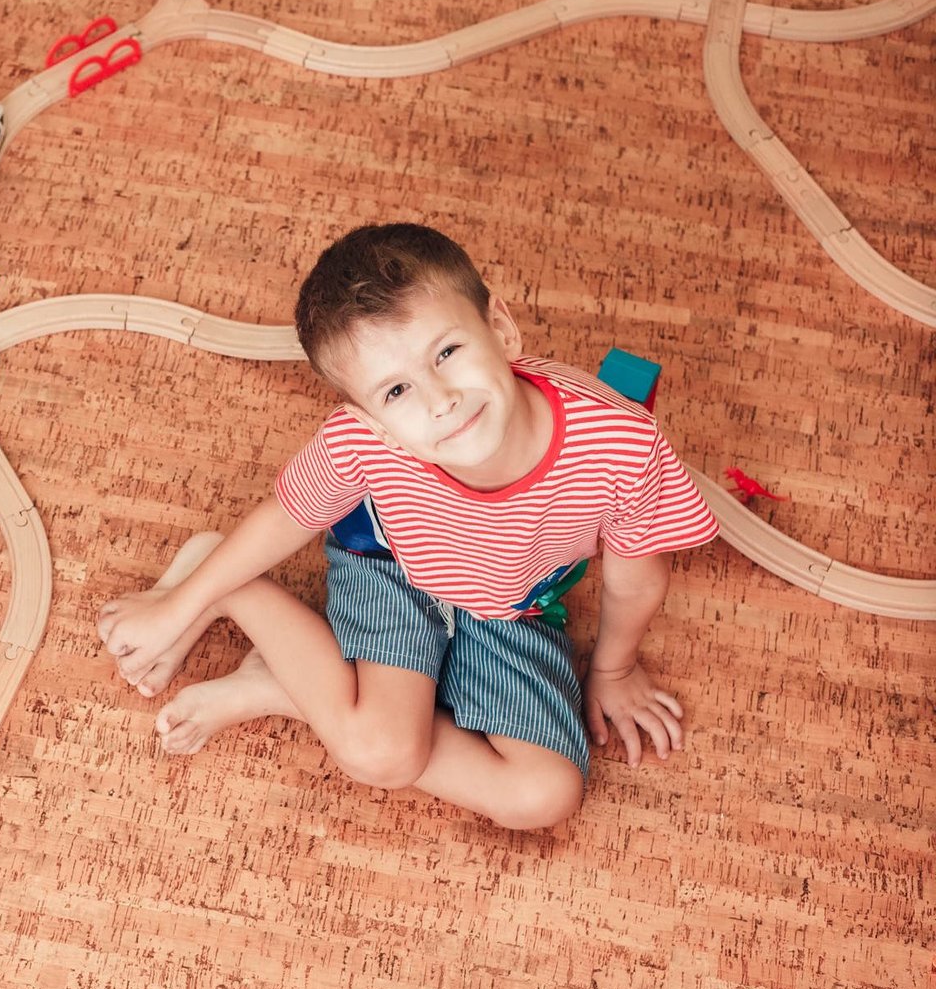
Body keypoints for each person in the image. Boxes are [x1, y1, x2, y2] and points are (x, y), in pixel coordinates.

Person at [97, 223, 718, 829]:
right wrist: (178, 608)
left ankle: (294, 686)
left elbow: (636, 581)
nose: (440, 398)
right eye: (395, 392)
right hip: (396, 568)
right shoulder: (360, 443)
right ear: (371, 419)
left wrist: (612, 670)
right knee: (382, 754)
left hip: (514, 602)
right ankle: (228, 586)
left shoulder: (620, 445)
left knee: (546, 795)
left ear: (500, 329)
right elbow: (288, 516)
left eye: (446, 352)